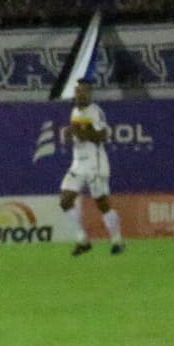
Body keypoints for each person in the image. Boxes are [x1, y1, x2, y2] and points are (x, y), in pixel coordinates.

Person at [56, 78, 123, 256]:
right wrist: (69, 134)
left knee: (102, 203)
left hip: (95, 163)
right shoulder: (74, 112)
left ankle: (117, 240)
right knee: (65, 200)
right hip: (78, 163)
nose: (79, 94)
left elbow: (102, 136)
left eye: (83, 91)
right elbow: (77, 134)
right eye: (77, 91)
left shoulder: (95, 112)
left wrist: (79, 132)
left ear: (90, 93)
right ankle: (82, 239)